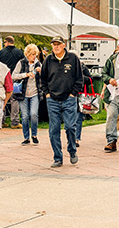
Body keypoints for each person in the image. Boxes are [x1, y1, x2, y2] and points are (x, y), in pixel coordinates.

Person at [38, 35, 83, 167]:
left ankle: (72, 150)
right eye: (54, 44)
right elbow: (43, 79)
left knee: (70, 127)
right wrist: (46, 93)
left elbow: (79, 78)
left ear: (64, 45)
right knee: (54, 129)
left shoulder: (73, 59)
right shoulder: (48, 60)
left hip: (69, 98)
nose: (56, 46)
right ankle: (57, 157)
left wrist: (73, 93)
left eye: (58, 44)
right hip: (52, 99)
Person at [12, 44, 42, 145]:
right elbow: (14, 76)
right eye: (32, 54)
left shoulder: (38, 64)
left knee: (34, 114)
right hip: (22, 94)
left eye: (35, 55)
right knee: (24, 116)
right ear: (27, 54)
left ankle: (34, 135)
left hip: (35, 93)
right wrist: (25, 75)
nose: (34, 57)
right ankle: (26, 137)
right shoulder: (21, 63)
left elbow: (46, 76)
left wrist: (41, 72)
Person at [0, 36, 24, 128]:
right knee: (14, 99)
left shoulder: (1, 53)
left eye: (4, 42)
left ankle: (1, 120)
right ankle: (15, 122)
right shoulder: (20, 52)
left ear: (7, 42)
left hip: (3, 77)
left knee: (2, 98)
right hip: (14, 79)